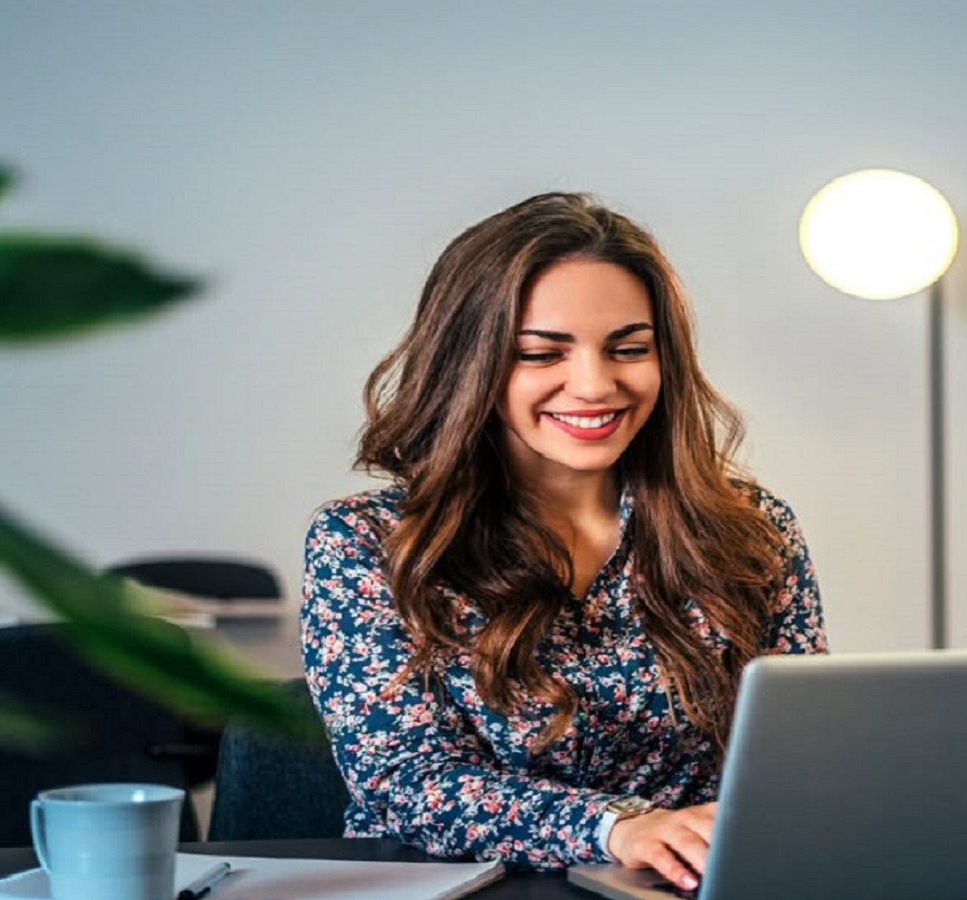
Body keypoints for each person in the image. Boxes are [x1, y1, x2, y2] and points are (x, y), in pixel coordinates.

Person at [301, 192, 826, 891]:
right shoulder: (368, 541)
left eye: (629, 349)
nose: (594, 385)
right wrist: (618, 827)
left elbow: (799, 756)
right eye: (540, 353)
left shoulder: (753, 530)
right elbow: (406, 783)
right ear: (470, 365)